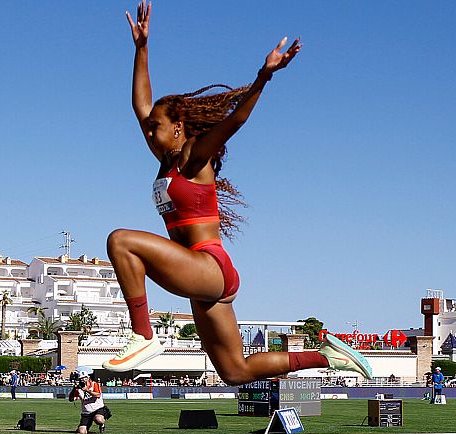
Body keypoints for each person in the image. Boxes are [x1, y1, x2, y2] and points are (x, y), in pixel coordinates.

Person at [102, 1, 373, 385]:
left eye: (155, 127)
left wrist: (263, 78)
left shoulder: (195, 157)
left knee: (121, 242)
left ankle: (144, 335)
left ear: (179, 126)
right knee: (234, 371)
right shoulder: (166, 159)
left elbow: (236, 120)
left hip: (208, 267)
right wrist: (142, 49)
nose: (148, 131)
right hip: (199, 275)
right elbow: (140, 105)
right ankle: (328, 356)